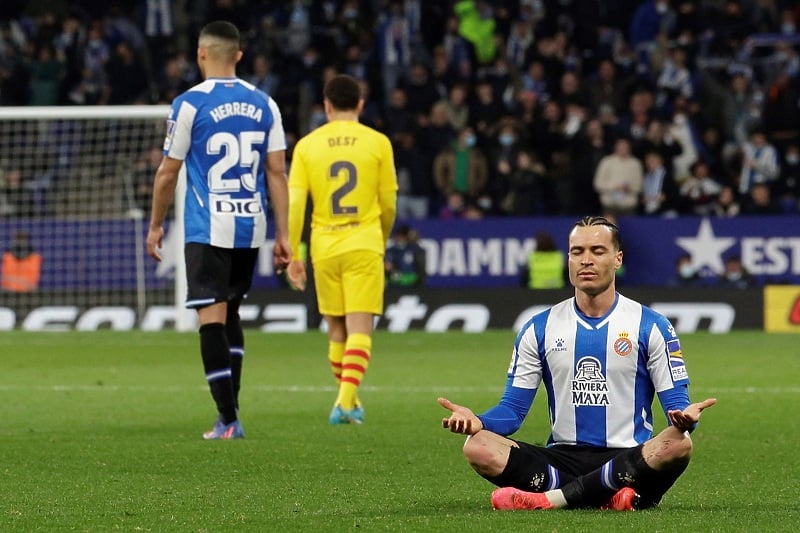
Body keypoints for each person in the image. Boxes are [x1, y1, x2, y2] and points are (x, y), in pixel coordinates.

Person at [438, 216, 717, 511]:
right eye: (577, 251)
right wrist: (478, 421)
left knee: (679, 444)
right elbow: (513, 411)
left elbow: (677, 405)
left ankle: (551, 499)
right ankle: (609, 497)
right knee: (478, 445)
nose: (586, 260)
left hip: (628, 457)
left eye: (597, 251)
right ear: (568, 258)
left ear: (617, 258)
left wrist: (687, 418)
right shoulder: (539, 327)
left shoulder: (652, 326)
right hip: (562, 458)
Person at [146, 21, 291, 440]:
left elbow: (167, 172)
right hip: (251, 225)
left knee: (211, 318)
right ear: (240, 55)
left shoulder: (189, 104)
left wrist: (156, 225)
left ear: (201, 54)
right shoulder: (266, 104)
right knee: (231, 313)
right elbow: (277, 173)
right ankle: (231, 413)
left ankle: (228, 419)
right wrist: (283, 235)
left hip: (207, 226)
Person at [286, 74, 397, 425]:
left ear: (327, 106)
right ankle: (344, 402)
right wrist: (380, 234)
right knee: (360, 327)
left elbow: (295, 205)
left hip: (324, 243)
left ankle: (349, 402)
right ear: (361, 104)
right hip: (363, 240)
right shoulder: (378, 142)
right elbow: (389, 201)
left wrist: (295, 254)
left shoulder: (307, 145)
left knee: (336, 328)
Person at [385, 224, 426, 288]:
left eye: (402, 235)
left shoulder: (414, 249)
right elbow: (387, 265)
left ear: (406, 236)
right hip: (393, 279)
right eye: (398, 235)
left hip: (411, 281)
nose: (399, 238)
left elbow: (421, 270)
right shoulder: (390, 251)